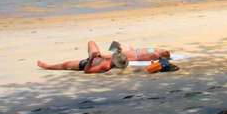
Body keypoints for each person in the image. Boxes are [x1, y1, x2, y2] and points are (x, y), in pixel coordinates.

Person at [36, 41, 170, 74]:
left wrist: (89, 60)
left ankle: (47, 66)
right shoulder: (115, 58)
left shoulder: (105, 66)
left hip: (86, 63)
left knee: (65, 65)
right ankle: (95, 53)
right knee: (91, 42)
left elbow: (87, 71)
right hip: (96, 57)